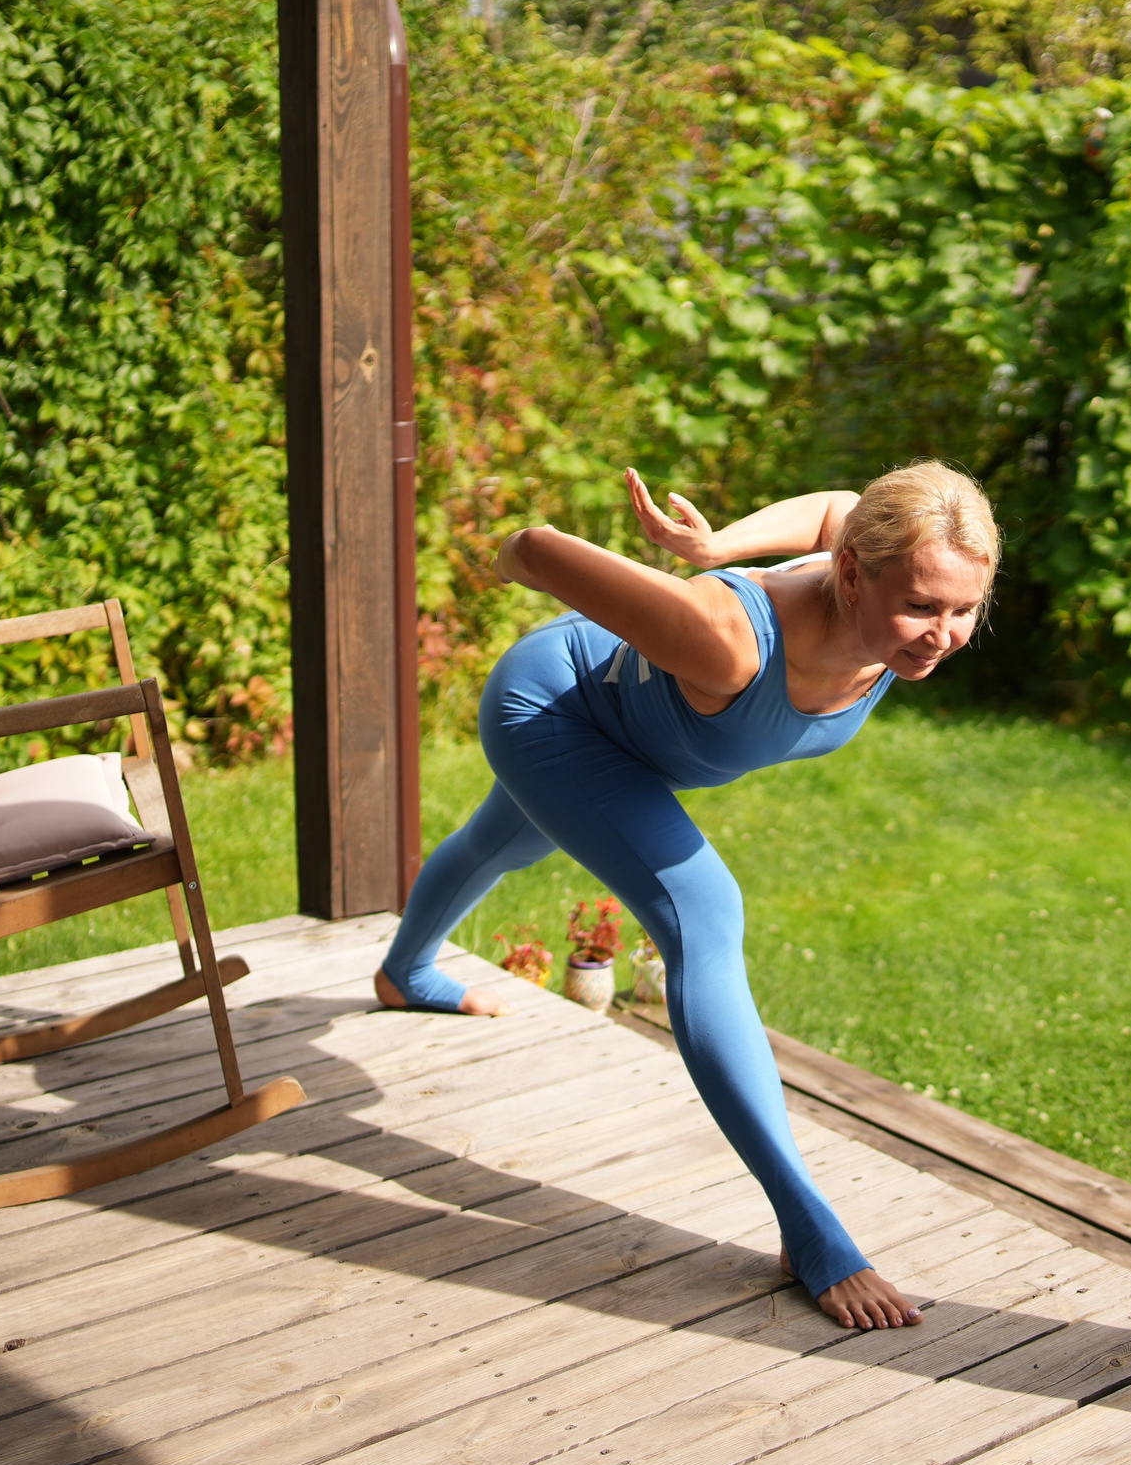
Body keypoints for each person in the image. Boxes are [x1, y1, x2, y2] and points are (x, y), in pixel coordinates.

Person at [372, 461, 999, 1330]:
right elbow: (541, 549)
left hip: (631, 738)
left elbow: (833, 503)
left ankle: (405, 971)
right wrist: (499, 555)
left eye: (964, 609)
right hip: (552, 708)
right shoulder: (727, 636)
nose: (941, 634)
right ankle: (808, 1227)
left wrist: (722, 538)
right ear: (855, 574)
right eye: (923, 607)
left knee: (500, 842)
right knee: (706, 915)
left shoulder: (878, 565)